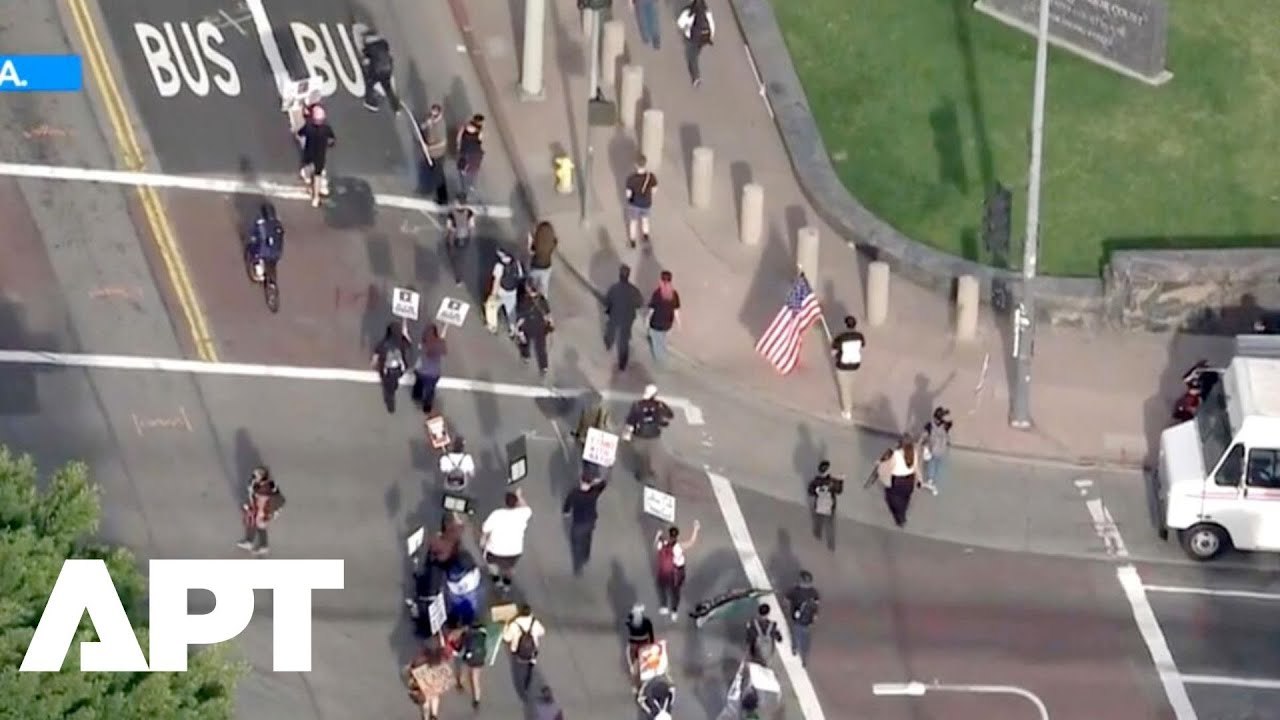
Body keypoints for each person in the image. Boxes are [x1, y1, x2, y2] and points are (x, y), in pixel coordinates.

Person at [480, 488, 532, 593]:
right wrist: (519, 496)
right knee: (510, 568)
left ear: (504, 503)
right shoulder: (523, 513)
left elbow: (485, 529)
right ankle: (507, 584)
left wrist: (483, 540)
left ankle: (496, 580)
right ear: (517, 503)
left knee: (492, 565)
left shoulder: (496, 514)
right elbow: (526, 507)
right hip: (514, 551)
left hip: (494, 550)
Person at [625, 384, 674, 486]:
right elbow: (670, 415)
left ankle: (642, 473)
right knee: (651, 456)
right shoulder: (659, 405)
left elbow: (630, 421)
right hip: (654, 435)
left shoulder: (637, 405)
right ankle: (648, 473)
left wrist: (627, 434)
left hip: (640, 435)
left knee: (642, 455)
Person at [562, 472, 607, 574]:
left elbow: (566, 508)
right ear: (590, 483)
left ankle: (578, 567)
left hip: (578, 523)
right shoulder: (594, 493)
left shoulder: (574, 493)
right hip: (590, 522)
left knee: (576, 545)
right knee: (587, 539)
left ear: (581, 481)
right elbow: (603, 484)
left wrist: (566, 513)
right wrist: (597, 482)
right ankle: (586, 556)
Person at [653, 520, 700, 620]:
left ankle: (664, 606)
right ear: (677, 536)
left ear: (669, 535)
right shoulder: (678, 547)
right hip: (676, 573)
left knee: (662, 587)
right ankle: (674, 611)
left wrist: (658, 535)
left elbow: (656, 545)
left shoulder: (663, 543)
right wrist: (696, 529)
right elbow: (691, 542)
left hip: (663, 573)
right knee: (676, 593)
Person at [603, 264, 644, 371]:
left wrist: (610, 307)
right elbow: (639, 303)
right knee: (624, 340)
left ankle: (608, 343)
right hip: (628, 318)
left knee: (610, 329)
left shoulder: (614, 288)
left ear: (619, 275)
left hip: (615, 315)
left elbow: (607, 301)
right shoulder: (634, 290)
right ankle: (623, 363)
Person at [877, 434, 922, 528]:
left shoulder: (896, 454)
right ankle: (902, 515)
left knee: (890, 499)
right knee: (905, 499)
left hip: (897, 481)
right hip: (910, 480)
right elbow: (916, 467)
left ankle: (900, 518)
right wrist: (919, 479)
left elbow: (888, 467)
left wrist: (880, 463)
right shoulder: (914, 452)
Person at [236, 466, 283, 556]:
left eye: (257, 475)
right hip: (259, 509)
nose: (254, 476)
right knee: (254, 524)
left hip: (263, 511)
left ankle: (261, 545)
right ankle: (252, 542)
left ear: (262, 476)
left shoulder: (265, 488)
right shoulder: (258, 483)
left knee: (259, 526)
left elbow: (262, 500)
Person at [296, 104, 335, 207]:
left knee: (307, 174)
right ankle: (316, 198)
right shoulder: (326, 129)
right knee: (318, 176)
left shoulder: (308, 128)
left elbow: (299, 134)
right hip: (320, 157)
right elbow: (332, 141)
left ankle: (309, 188)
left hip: (308, 155)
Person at [404, 637, 453, 720]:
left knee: (426, 700)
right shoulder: (440, 657)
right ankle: (434, 714)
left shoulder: (422, 658)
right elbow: (447, 658)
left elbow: (413, 666)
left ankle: (425, 716)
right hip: (436, 681)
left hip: (425, 684)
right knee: (435, 696)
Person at [501, 603, 545, 694]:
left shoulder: (515, 623)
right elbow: (542, 632)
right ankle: (528, 681)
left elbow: (506, 638)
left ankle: (522, 686)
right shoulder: (534, 622)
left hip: (517, 651)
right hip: (532, 650)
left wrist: (505, 627)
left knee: (519, 669)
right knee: (529, 666)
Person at [830, 315, 866, 421]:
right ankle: (850, 399)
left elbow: (833, 352)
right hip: (855, 365)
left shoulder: (841, 338)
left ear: (845, 325)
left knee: (844, 389)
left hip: (843, 366)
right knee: (850, 384)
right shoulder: (860, 336)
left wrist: (833, 348)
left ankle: (847, 411)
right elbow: (862, 345)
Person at [357, 24, 400, 113]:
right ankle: (396, 108)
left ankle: (371, 102)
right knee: (388, 88)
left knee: (369, 84)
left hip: (377, 69)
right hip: (387, 68)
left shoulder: (369, 47)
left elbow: (366, 59)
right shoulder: (383, 43)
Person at [371, 321, 412, 413]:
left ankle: (390, 402)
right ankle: (391, 394)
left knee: (388, 388)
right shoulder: (400, 342)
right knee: (393, 385)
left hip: (387, 371)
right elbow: (409, 345)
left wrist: (374, 363)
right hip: (398, 369)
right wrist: (405, 334)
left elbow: (376, 355)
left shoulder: (383, 344)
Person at [516, 280, 554, 377]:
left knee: (525, 342)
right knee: (541, 348)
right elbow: (547, 314)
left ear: (528, 289)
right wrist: (550, 324)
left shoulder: (525, 300)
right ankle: (544, 366)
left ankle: (526, 356)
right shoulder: (542, 300)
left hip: (528, 326)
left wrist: (518, 329)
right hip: (540, 327)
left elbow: (521, 317)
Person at [449, 619, 488, 709]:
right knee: (475, 678)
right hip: (480, 657)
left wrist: (454, 647)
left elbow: (460, 648)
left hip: (470, 658)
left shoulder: (467, 635)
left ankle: (459, 683)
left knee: (461, 668)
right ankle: (476, 699)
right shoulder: (483, 633)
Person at [784, 571, 820, 666]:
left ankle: (795, 648)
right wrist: (815, 616)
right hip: (808, 621)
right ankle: (804, 658)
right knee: (805, 640)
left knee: (796, 635)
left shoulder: (795, 590)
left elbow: (786, 601)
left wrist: (788, 610)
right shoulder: (814, 592)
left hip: (796, 619)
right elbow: (816, 605)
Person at [676, 0, 716, 87]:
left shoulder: (689, 12)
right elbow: (712, 26)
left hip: (692, 38)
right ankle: (696, 73)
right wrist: (710, 37)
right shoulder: (707, 13)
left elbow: (680, 24)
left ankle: (696, 77)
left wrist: (685, 29)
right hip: (703, 39)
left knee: (692, 57)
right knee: (696, 53)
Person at [647, 271, 681, 368]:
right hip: (667, 324)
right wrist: (679, 324)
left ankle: (659, 361)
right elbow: (676, 311)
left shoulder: (657, 293)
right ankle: (664, 358)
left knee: (656, 342)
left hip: (656, 323)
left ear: (661, 280)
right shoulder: (674, 294)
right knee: (663, 340)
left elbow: (651, 310)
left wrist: (647, 320)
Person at [807, 460, 843, 551]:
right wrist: (840, 482)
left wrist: (818, 490)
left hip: (820, 507)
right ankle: (831, 546)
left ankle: (818, 536)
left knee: (819, 522)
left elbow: (810, 492)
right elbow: (839, 491)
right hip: (829, 507)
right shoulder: (832, 481)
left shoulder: (816, 481)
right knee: (829, 526)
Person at [487, 249, 524, 337]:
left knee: (491, 307)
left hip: (501, 291)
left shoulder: (499, 266)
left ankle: (492, 326)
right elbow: (520, 275)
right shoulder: (516, 263)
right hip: (512, 291)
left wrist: (493, 294)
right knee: (511, 311)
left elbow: (497, 281)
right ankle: (513, 328)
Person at [624, 155, 658, 248]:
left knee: (633, 222)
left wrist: (629, 200)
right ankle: (646, 235)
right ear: (645, 163)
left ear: (635, 165)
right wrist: (649, 196)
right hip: (646, 203)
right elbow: (654, 189)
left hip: (635, 203)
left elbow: (628, 194)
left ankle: (632, 241)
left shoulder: (631, 179)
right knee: (645, 220)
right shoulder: (651, 176)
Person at [245, 202, 284, 282]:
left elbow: (254, 234)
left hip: (263, 252)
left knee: (255, 254)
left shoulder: (261, 223)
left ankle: (258, 273)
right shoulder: (277, 224)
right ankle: (268, 273)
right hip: (275, 252)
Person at [412, 325, 447, 414]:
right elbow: (444, 351)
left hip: (421, 370)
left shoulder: (423, 344)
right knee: (430, 391)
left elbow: (420, 353)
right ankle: (427, 406)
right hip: (433, 373)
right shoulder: (440, 344)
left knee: (418, 384)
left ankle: (417, 396)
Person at [419, 104, 450, 206]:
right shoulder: (431, 119)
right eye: (432, 114)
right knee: (426, 170)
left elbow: (443, 143)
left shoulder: (441, 125)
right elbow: (423, 127)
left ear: (439, 114)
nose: (432, 117)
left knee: (439, 176)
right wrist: (426, 124)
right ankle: (425, 189)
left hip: (437, 154)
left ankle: (443, 198)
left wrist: (429, 148)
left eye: (435, 115)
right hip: (429, 153)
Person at [442, 195, 475, 286]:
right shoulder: (469, 213)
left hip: (455, 239)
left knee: (455, 258)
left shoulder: (451, 214)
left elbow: (450, 229)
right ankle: (459, 278)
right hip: (465, 239)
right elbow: (471, 228)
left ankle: (458, 275)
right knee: (462, 259)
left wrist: (449, 242)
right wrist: (470, 239)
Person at [920, 406, 953, 495]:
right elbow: (949, 426)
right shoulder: (946, 425)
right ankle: (933, 480)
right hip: (942, 450)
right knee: (937, 464)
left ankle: (930, 480)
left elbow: (924, 435)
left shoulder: (930, 425)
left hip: (934, 450)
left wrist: (921, 443)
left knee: (931, 463)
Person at [455, 114, 485, 197]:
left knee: (462, 171)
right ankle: (471, 185)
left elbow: (459, 137)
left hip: (464, 152)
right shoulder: (479, 131)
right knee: (473, 171)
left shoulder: (464, 127)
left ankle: (463, 189)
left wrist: (458, 147)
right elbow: (479, 141)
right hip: (473, 155)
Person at [527, 221, 557, 297]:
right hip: (547, 266)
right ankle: (543, 301)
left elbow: (531, 251)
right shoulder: (553, 242)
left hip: (536, 266)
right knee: (544, 287)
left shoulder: (537, 242)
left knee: (533, 286)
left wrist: (530, 241)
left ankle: (533, 300)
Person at [624, 603, 656, 675]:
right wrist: (652, 643)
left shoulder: (630, 621)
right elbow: (651, 633)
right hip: (644, 643)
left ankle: (632, 666)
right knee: (646, 656)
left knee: (629, 653)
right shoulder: (647, 621)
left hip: (634, 643)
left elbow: (627, 622)